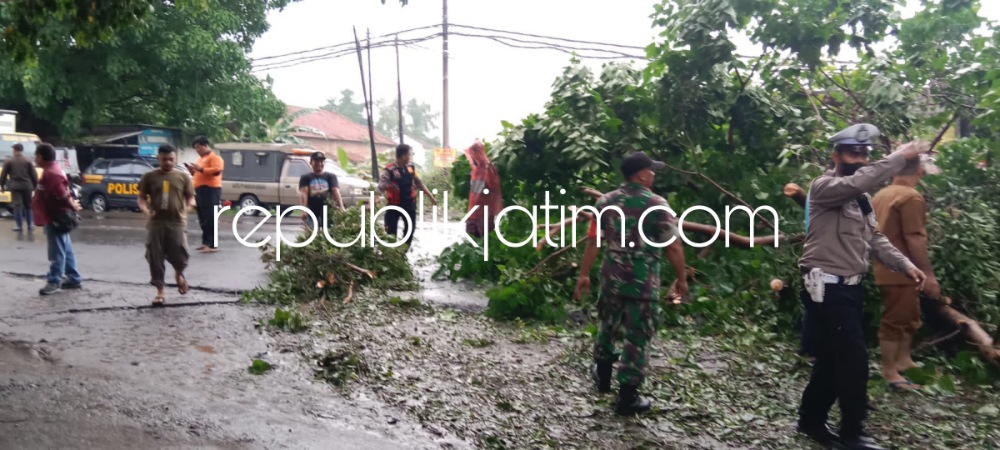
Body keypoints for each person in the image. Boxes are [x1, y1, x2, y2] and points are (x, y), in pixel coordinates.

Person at [796, 123, 930, 450]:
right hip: (825, 288)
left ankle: (810, 421)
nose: (859, 157)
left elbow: (875, 238)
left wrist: (907, 265)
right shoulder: (824, 186)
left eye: (863, 153)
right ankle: (852, 433)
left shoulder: (863, 200)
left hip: (849, 288)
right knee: (854, 360)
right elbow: (861, 180)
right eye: (853, 152)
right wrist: (898, 157)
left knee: (830, 358)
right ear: (836, 155)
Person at [572, 151, 689, 416]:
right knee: (637, 336)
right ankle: (627, 398)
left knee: (607, 325)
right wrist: (681, 279)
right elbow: (673, 245)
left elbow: (593, 241)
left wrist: (583, 274)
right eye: (651, 170)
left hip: (611, 278)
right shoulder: (657, 203)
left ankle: (602, 378)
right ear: (640, 175)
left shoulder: (605, 201)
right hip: (643, 282)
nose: (654, 174)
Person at [872, 149, 942, 389]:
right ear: (920, 172)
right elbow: (915, 238)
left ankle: (904, 360)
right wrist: (929, 275)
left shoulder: (881, 194)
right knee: (895, 320)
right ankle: (890, 372)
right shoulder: (910, 197)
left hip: (884, 266)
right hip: (901, 269)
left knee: (908, 316)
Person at [138, 144, 197, 306]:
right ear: (159, 158)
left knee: (181, 255)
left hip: (177, 222)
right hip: (156, 223)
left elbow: (191, 198)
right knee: (155, 257)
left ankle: (179, 275)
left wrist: (187, 208)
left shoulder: (183, 177)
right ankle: (160, 291)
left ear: (175, 158)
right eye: (164, 159)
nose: (168, 162)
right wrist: (145, 209)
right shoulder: (149, 176)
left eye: (171, 159)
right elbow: (141, 197)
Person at [32, 143, 83, 295]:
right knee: (65, 248)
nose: (34, 159)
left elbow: (62, 194)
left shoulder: (51, 173)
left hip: (55, 216)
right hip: (56, 215)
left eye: (35, 155)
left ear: (41, 157)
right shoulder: (52, 170)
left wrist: (71, 204)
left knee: (56, 251)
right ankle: (73, 278)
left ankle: (54, 281)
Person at [378, 144, 437, 249]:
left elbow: (419, 183)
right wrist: (374, 200)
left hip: (409, 204)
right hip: (394, 205)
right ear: (403, 155)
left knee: (410, 229)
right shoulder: (389, 170)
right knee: (391, 231)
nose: (410, 156)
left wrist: (431, 196)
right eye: (409, 154)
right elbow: (381, 187)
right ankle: (391, 253)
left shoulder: (410, 167)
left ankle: (403, 251)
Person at [184, 136, 224, 253]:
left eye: (198, 147)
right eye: (195, 148)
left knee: (210, 217)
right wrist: (192, 170)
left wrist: (200, 169)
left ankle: (212, 244)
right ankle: (205, 242)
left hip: (211, 190)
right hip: (199, 190)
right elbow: (198, 173)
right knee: (202, 217)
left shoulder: (215, 158)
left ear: (205, 145)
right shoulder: (200, 159)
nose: (197, 150)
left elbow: (216, 171)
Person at [299, 151, 344, 228]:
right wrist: (304, 211)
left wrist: (341, 207)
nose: (319, 164)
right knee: (311, 235)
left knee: (330, 234)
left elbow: (335, 191)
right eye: (316, 161)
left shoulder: (331, 176)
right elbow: (304, 195)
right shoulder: (306, 178)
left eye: (321, 161)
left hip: (328, 212)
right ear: (311, 163)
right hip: (312, 211)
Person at [1, 143, 38, 232]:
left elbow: (3, 175)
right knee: (28, 205)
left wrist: (2, 185)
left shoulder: (9, 161)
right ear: (21, 150)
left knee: (17, 205)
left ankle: (19, 226)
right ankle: (30, 225)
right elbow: (34, 175)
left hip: (15, 186)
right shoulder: (28, 161)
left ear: (14, 150)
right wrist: (35, 186)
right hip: (27, 186)